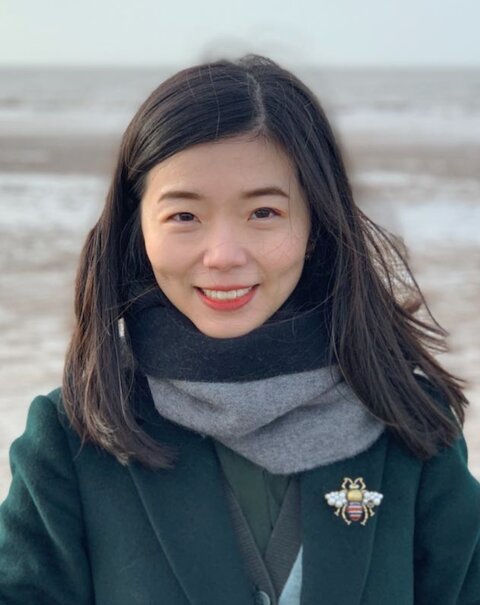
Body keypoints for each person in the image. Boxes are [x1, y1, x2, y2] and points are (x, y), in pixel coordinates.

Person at [0, 55, 479, 605]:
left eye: (264, 213)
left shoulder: (411, 426)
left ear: (316, 225)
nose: (224, 255)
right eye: (185, 216)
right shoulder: (75, 437)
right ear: (138, 230)